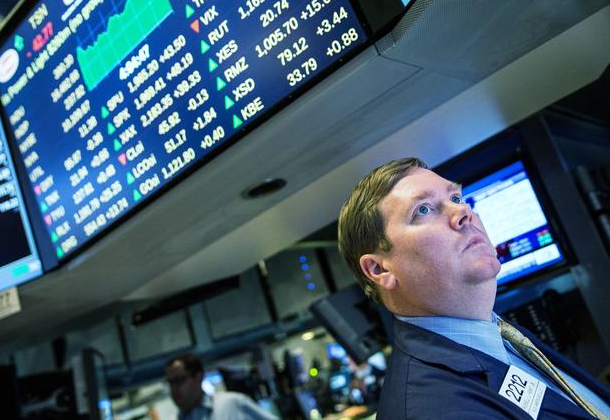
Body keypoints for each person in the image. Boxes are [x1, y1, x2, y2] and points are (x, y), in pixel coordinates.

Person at [338, 157, 610, 419]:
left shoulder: (495, 333)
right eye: (423, 209)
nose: (463, 212)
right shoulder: (432, 410)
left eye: (456, 198)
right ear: (380, 269)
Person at [165, 354, 278, 420]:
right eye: (170, 383)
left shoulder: (231, 403)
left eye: (179, 380)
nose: (174, 388)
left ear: (198, 377)